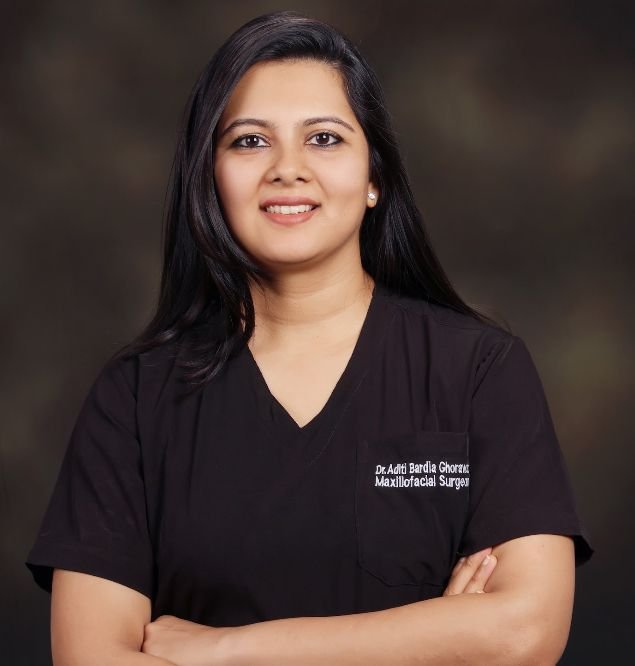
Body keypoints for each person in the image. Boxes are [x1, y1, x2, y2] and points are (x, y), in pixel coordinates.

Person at [26, 10, 594, 665]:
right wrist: (434, 638)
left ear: (375, 177)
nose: (287, 169)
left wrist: (223, 652)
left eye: (323, 139)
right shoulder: (132, 399)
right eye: (248, 142)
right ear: (208, 176)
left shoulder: (478, 372)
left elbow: (523, 635)